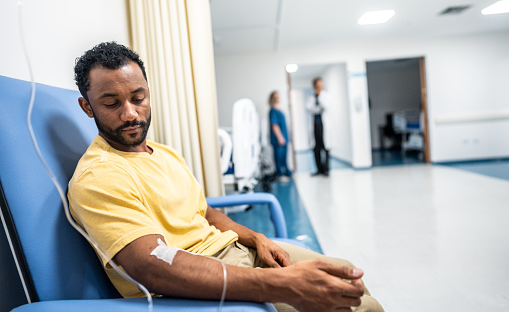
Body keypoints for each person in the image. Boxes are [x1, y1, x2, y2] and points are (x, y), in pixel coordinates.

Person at [68, 42, 384, 312]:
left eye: (138, 98)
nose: (130, 114)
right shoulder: (99, 176)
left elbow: (203, 212)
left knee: (349, 276)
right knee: (360, 307)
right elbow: (153, 266)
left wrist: (256, 238)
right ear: (87, 107)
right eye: (111, 103)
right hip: (193, 285)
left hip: (235, 252)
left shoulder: (163, 153)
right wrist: (280, 284)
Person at [306, 77, 330, 176]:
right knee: (316, 148)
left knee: (326, 147)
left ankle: (326, 169)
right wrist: (317, 108)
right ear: (314, 86)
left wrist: (319, 97)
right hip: (315, 125)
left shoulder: (325, 96)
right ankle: (319, 169)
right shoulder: (311, 97)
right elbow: (309, 108)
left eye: (321, 85)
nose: (319, 87)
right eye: (317, 86)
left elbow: (325, 106)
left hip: (324, 125)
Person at [268, 91, 292, 180]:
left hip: (284, 137)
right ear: (271, 98)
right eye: (275, 96)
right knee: (279, 157)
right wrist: (280, 137)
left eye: (278, 96)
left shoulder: (279, 109)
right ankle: (280, 174)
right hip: (279, 138)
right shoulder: (273, 110)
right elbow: (274, 125)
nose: (277, 98)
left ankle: (287, 172)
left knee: (284, 157)